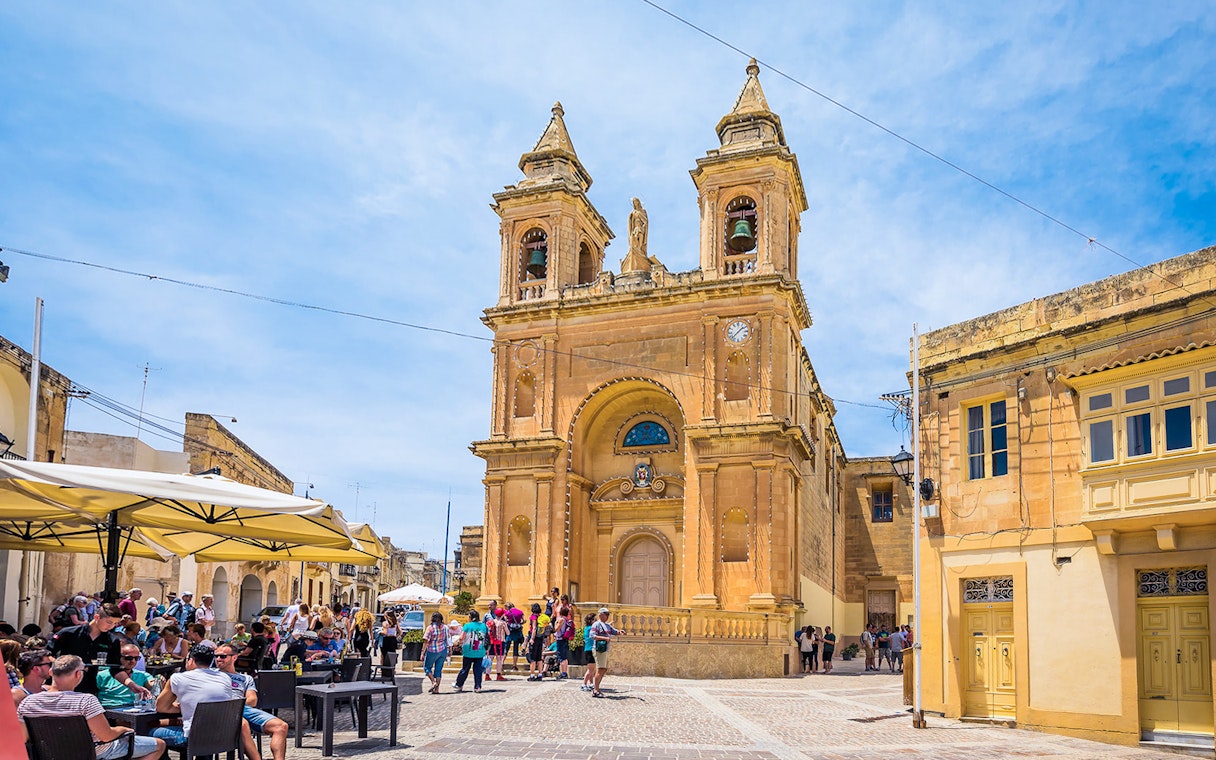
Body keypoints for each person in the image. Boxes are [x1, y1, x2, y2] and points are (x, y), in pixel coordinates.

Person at [18, 654, 165, 760]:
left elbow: (23, 738)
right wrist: (123, 729)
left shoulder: (28, 702)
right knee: (159, 744)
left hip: (49, 753)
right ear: (78, 674)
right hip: (92, 752)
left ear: (51, 673)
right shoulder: (86, 701)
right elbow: (106, 735)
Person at [150, 645, 242, 752]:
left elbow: (160, 707)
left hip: (193, 738)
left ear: (191, 660)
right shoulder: (225, 678)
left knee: (151, 732)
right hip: (224, 736)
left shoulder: (178, 678)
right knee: (204, 731)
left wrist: (182, 707)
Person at [214, 642, 289, 760]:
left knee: (281, 726)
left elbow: (252, 700)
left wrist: (237, 705)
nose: (218, 659)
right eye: (216, 656)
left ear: (234, 657)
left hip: (242, 708)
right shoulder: (211, 675)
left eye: (223, 656)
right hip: (221, 710)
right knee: (242, 724)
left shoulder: (245, 678)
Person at [49, 602, 139, 696]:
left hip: (88, 689)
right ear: (96, 617)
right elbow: (48, 654)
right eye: (109, 622)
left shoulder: (112, 641)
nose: (111, 626)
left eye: (115, 623)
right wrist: (63, 667)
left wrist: (132, 685)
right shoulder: (68, 633)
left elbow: (116, 669)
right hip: (61, 687)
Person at [95, 644, 154, 709]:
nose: (133, 661)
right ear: (118, 657)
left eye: (136, 658)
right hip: (110, 709)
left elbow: (153, 685)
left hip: (134, 709)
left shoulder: (143, 675)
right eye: (129, 658)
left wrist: (159, 681)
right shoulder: (102, 675)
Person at [588, 607, 624, 698]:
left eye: (608, 614)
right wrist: (604, 638)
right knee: (600, 669)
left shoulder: (607, 625)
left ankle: (597, 688)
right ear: (601, 615)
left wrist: (620, 632)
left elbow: (614, 631)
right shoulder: (596, 624)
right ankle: (595, 690)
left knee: (604, 669)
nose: (607, 616)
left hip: (605, 649)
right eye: (606, 614)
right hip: (599, 649)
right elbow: (592, 636)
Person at [453, 610, 487, 693]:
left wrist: (458, 643)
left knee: (465, 669)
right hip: (480, 651)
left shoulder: (467, 626)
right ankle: (477, 686)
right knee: (478, 670)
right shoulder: (483, 626)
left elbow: (461, 638)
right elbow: (483, 637)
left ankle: (459, 684)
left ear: (471, 617)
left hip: (468, 651)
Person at [422, 612, 448, 694]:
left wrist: (422, 652)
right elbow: (448, 639)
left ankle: (433, 682)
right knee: (438, 670)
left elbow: (426, 641)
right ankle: (437, 689)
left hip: (432, 650)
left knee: (427, 667)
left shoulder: (430, 628)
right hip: (443, 650)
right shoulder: (445, 627)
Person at [525, 602, 550, 681]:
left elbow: (534, 628)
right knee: (539, 658)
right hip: (540, 639)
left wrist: (532, 638)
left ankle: (532, 675)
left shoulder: (533, 617)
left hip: (535, 638)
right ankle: (539, 674)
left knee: (532, 658)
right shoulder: (540, 616)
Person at [553, 606, 574, 680]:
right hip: (565, 639)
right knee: (564, 656)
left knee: (561, 657)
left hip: (560, 639)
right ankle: (565, 672)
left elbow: (556, 629)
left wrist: (556, 623)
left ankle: (563, 673)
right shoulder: (567, 619)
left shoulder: (561, 620)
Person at [486, 608, 508, 681]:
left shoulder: (491, 622)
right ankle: (498, 675)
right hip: (500, 643)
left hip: (492, 642)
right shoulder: (503, 623)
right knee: (499, 659)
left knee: (490, 659)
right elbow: (508, 633)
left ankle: (487, 675)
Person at [504, 603, 525, 671]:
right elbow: (524, 620)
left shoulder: (507, 613)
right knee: (515, 649)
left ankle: (501, 663)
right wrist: (519, 624)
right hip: (517, 632)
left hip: (510, 632)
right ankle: (514, 665)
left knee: (506, 649)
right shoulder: (520, 612)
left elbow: (505, 620)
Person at [580, 613, 597, 692]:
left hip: (587, 649)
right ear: (591, 620)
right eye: (595, 619)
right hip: (590, 650)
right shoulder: (591, 628)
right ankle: (584, 684)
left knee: (591, 669)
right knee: (590, 669)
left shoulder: (587, 628)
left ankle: (591, 683)